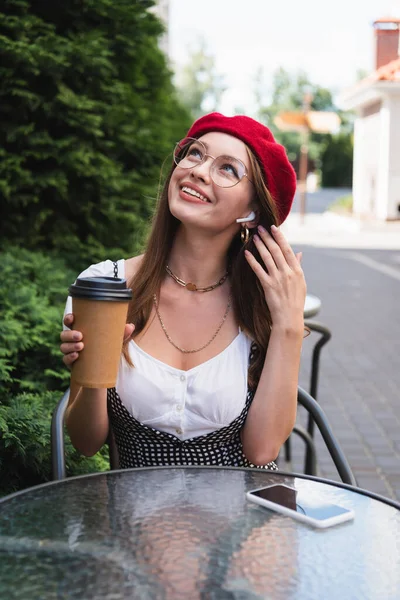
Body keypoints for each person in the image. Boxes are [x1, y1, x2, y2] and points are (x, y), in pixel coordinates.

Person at [60, 112, 306, 470]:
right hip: (136, 517)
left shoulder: (263, 301)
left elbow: (262, 451)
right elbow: (85, 442)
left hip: (243, 515)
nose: (199, 171)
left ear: (251, 211)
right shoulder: (105, 284)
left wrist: (289, 325)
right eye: (195, 154)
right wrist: (95, 365)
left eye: (227, 169)